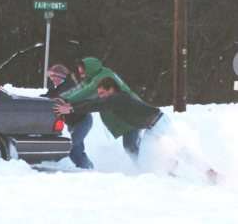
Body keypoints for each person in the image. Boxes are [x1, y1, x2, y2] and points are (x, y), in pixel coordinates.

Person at [54, 77, 220, 183]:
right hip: (150, 129)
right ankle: (170, 178)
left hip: (161, 123)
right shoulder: (114, 99)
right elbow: (94, 102)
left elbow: (97, 105)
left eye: (103, 92)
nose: (101, 95)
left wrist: (71, 109)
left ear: (112, 89)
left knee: (181, 149)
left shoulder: (120, 98)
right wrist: (71, 105)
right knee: (145, 161)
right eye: (100, 93)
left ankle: (210, 172)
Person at [59, 57, 142, 162]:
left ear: (90, 70)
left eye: (83, 73)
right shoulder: (94, 76)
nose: (82, 76)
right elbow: (79, 88)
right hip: (124, 114)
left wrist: (67, 100)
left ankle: (147, 169)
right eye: (80, 73)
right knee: (132, 146)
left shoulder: (103, 77)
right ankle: (147, 167)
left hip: (131, 111)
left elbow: (87, 92)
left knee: (130, 146)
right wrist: (61, 97)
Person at [41, 65, 94, 169]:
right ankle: (86, 168)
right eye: (50, 77)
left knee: (72, 147)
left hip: (83, 120)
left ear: (60, 76)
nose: (51, 79)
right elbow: (51, 97)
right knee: (76, 148)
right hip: (73, 123)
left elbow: (64, 98)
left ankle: (87, 168)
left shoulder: (70, 86)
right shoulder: (60, 87)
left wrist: (53, 95)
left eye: (53, 77)